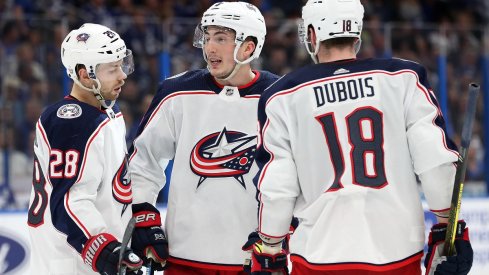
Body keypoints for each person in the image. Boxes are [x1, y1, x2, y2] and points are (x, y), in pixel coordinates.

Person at [248, 0, 474, 275]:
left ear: (312, 34)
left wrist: (270, 248)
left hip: (319, 257)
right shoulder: (403, 78)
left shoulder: (282, 96)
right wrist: (448, 230)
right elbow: (436, 162)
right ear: (357, 34)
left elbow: (277, 187)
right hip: (397, 254)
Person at [128, 2, 279, 274]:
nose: (209, 48)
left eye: (221, 38)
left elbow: (295, 176)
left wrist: (279, 234)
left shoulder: (280, 97)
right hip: (184, 259)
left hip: (253, 262)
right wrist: (143, 215)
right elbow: (143, 162)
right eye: (207, 37)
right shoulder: (176, 92)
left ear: (249, 47)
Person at [27, 23, 143, 275]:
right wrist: (103, 248)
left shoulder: (105, 113)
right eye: (112, 69)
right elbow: (69, 201)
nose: (122, 75)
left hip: (87, 258)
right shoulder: (71, 121)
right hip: (70, 262)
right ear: (84, 74)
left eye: (122, 65)